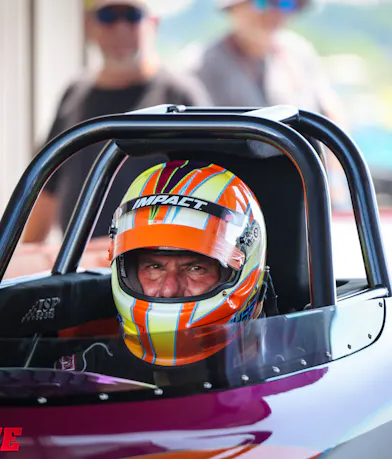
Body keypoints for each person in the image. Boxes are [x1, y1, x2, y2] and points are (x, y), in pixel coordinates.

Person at [56, 160, 278, 379]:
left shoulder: (288, 374)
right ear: (126, 270)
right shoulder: (88, 377)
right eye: (154, 267)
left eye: (195, 268)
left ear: (244, 271)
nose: (169, 289)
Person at [22, 0, 211, 247]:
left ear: (153, 24)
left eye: (132, 16)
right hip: (79, 260)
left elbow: (209, 187)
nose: (120, 29)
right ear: (89, 26)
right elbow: (48, 187)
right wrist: (26, 254)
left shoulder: (179, 96)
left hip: (154, 259)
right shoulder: (75, 94)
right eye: (108, 16)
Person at [181, 0, 351, 208]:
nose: (274, 12)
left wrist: (334, 183)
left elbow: (330, 115)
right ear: (234, 9)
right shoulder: (199, 66)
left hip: (304, 193)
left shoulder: (299, 54)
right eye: (263, 2)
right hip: (232, 197)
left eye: (285, 4)